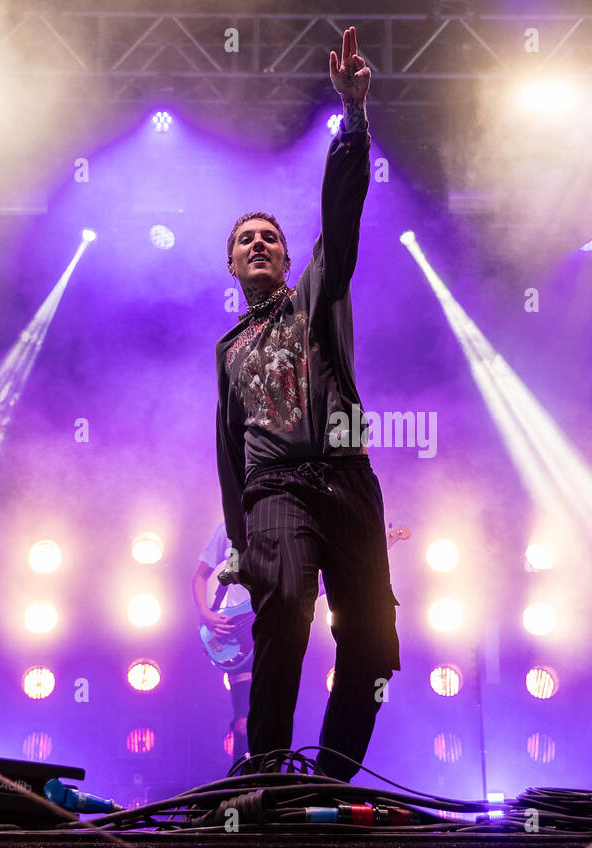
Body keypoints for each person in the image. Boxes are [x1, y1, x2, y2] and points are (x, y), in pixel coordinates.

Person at [213, 26, 400, 782]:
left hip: (348, 480)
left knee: (377, 644)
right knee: (286, 604)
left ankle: (327, 780)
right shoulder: (227, 351)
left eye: (270, 238)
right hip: (277, 491)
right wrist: (238, 538)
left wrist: (353, 122)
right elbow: (230, 452)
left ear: (288, 259)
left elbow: (342, 213)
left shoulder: (317, 296)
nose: (259, 244)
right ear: (231, 263)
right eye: (245, 240)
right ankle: (264, 766)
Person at [191, 521, 253, 762]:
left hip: (272, 631)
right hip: (239, 633)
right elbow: (199, 577)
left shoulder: (282, 520)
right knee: (243, 720)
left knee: (270, 713)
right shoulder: (230, 526)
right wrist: (205, 614)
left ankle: (270, 779)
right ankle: (242, 782)